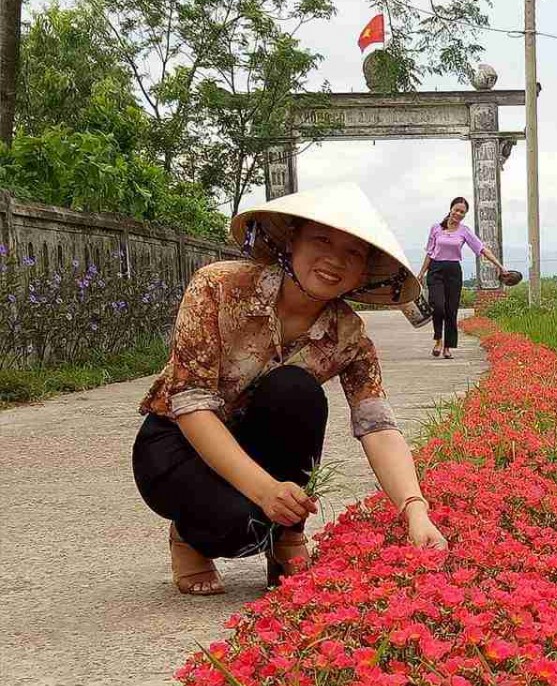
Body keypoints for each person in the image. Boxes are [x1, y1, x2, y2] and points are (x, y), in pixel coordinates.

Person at [132, 182, 448, 597]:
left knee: (296, 391)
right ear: (292, 241)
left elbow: (378, 426)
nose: (334, 259)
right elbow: (190, 403)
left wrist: (415, 511)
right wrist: (265, 492)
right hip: (177, 442)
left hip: (257, 443)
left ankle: (286, 536)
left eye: (353, 253)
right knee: (237, 526)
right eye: (321, 240)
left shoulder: (348, 336)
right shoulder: (218, 288)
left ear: (363, 271)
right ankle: (189, 538)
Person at [418, 197, 506, 359]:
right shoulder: (436, 229)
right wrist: (421, 273)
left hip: (453, 271)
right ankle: (438, 339)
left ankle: (447, 347)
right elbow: (429, 253)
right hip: (435, 270)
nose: (458, 214)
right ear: (450, 209)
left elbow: (482, 249)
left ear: (465, 215)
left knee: (451, 310)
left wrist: (500, 266)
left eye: (462, 212)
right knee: (438, 306)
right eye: (456, 210)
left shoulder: (464, 231)